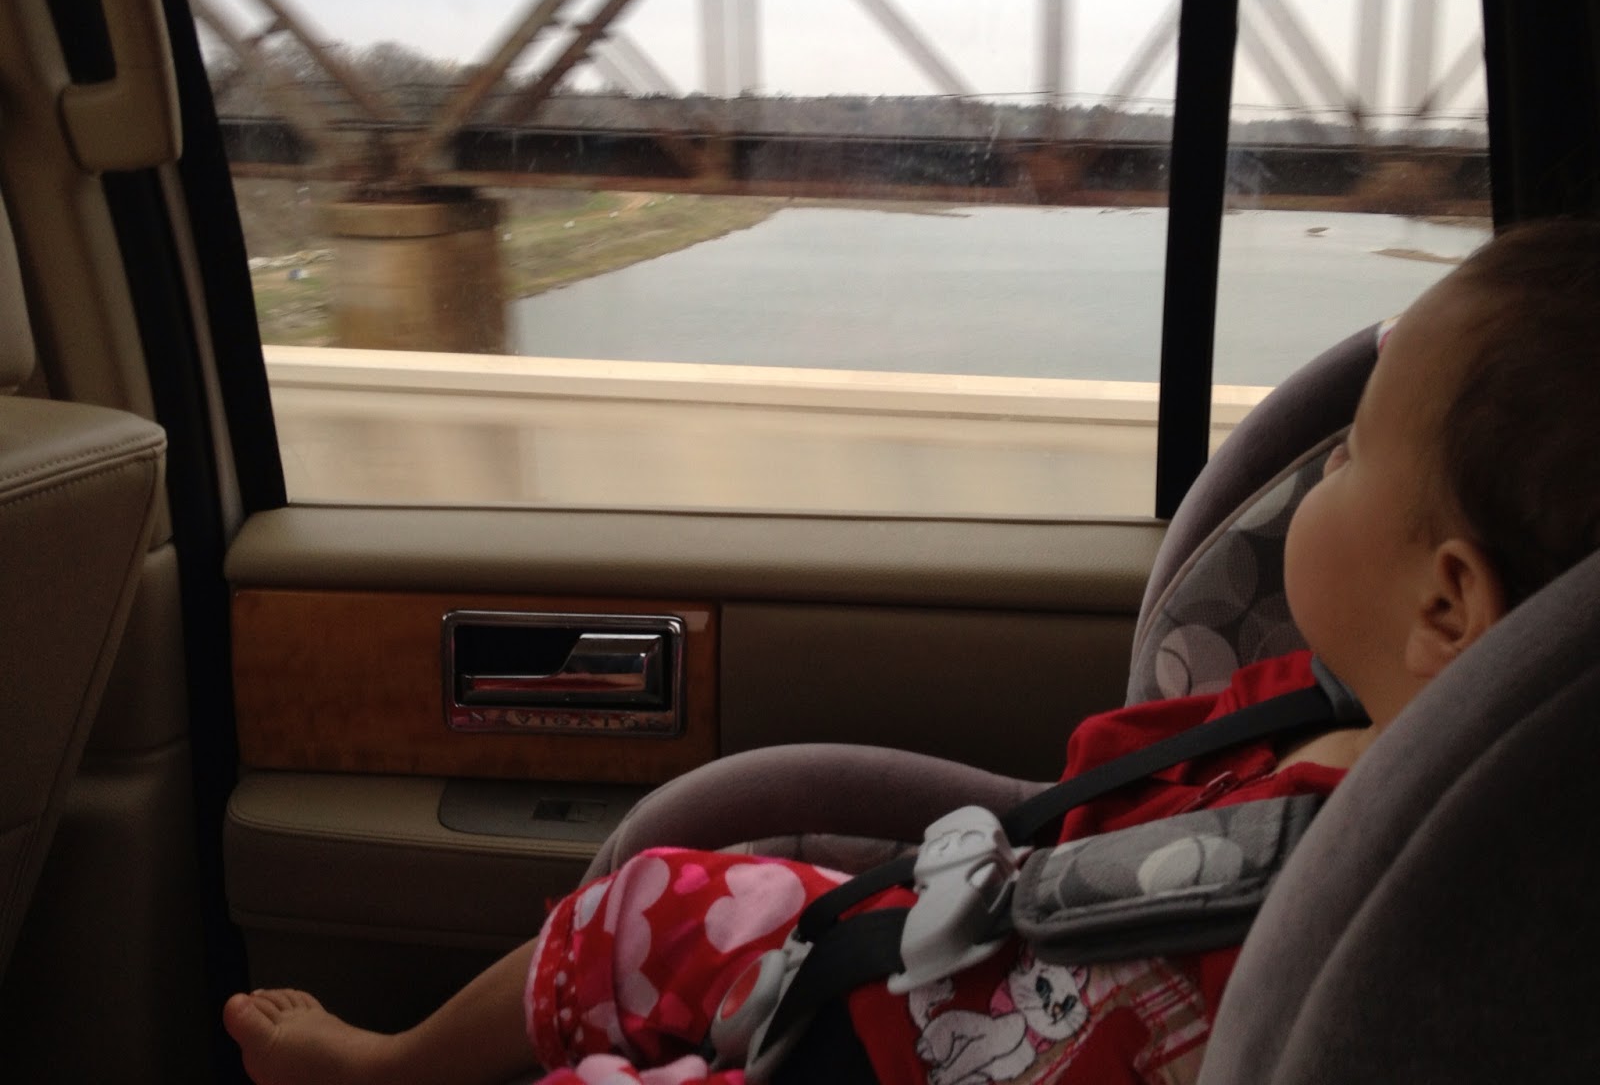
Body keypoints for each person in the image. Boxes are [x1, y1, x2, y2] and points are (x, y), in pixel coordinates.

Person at [222, 218, 1600, 1085]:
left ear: (1447, 608)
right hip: (944, 951)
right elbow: (1094, 786)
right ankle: (391, 1065)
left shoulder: (1370, 916)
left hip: (945, 1052)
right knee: (647, 899)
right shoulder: (1310, 706)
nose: (1316, 470)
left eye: (1353, 455)